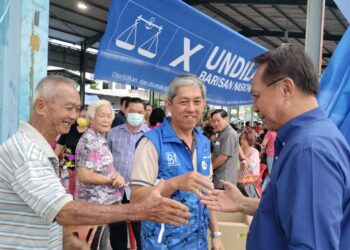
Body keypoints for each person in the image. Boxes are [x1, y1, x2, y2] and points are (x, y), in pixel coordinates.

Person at [0, 75, 191, 250]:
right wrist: (140, 210)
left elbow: (42, 209)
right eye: (68, 108)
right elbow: (63, 210)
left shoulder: (38, 148)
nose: (75, 116)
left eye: (76, 109)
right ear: (41, 106)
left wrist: (68, 240)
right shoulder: (28, 152)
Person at [201, 45, 350, 250]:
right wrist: (244, 204)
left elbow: (313, 244)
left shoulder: (310, 150)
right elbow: (292, 211)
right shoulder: (307, 140)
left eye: (256, 96)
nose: (254, 107)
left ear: (286, 88)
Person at [130, 74, 222, 249]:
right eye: (183, 102)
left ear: (204, 104)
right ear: (169, 104)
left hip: (198, 243)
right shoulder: (152, 143)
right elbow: (136, 199)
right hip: (162, 244)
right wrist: (174, 184)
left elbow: (207, 192)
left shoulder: (203, 142)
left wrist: (216, 234)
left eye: (197, 102)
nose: (191, 108)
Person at [75, 100, 127, 249]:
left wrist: (117, 175)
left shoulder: (100, 138)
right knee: (96, 245)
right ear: (91, 118)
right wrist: (111, 180)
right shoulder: (89, 140)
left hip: (107, 202)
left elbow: (106, 167)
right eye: (102, 116)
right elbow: (84, 175)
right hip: (95, 204)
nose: (107, 119)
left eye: (109, 116)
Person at [107, 97, 150, 249]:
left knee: (142, 231)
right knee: (117, 230)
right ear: (125, 111)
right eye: (132, 111)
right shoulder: (112, 133)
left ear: (145, 113)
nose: (135, 114)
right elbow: (106, 159)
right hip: (116, 188)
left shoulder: (151, 135)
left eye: (139, 112)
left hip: (141, 190)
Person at [55, 104, 88, 198]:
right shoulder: (69, 129)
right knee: (66, 197)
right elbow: (57, 150)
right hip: (67, 172)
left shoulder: (92, 133)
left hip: (83, 174)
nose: (81, 118)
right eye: (80, 116)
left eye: (84, 117)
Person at [211, 109, 240, 188]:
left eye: (218, 120)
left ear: (226, 119)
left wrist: (210, 169)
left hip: (224, 180)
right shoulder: (222, 132)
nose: (215, 123)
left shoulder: (229, 134)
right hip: (220, 178)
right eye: (214, 121)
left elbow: (223, 157)